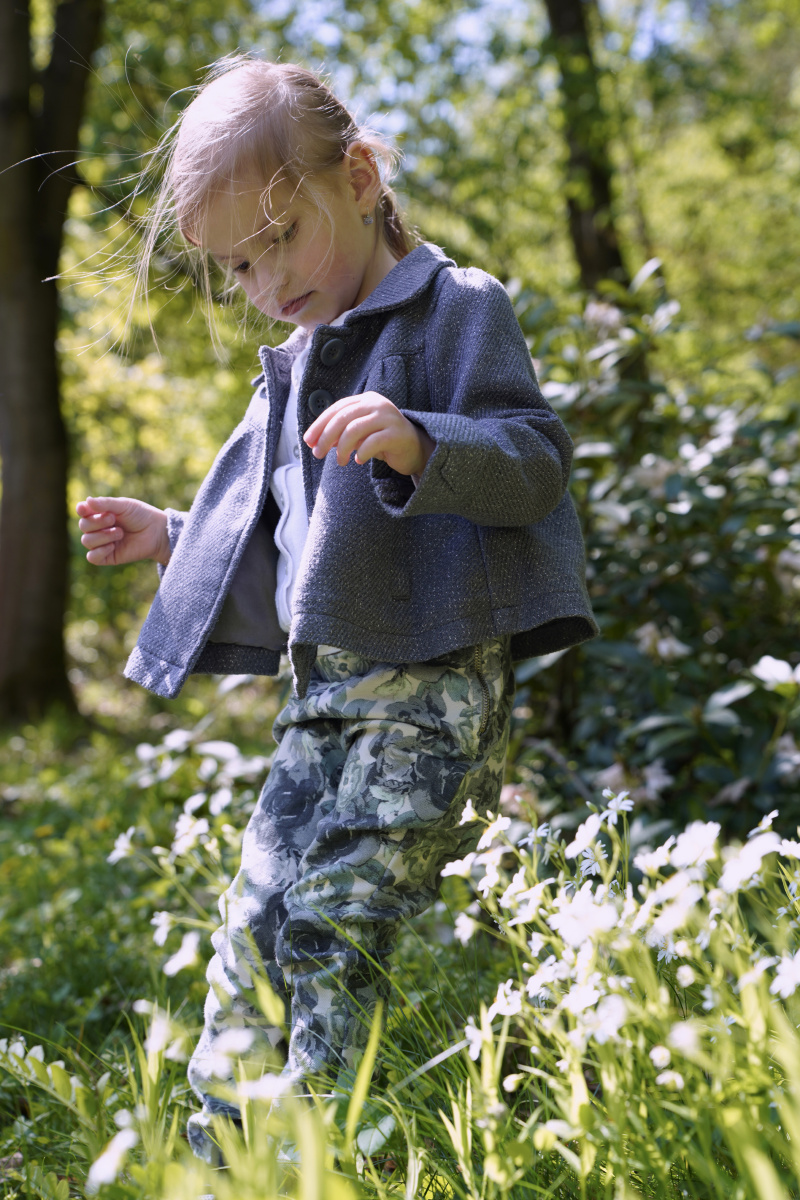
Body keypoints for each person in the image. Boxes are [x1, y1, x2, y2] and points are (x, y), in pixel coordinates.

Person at [76, 58, 597, 1162]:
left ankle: (322, 1157)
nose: (264, 281)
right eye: (237, 265)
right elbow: (286, 529)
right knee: (248, 929)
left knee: (330, 920)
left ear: (357, 177)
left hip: (431, 699)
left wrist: (420, 440)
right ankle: (223, 1166)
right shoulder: (300, 362)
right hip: (319, 708)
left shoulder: (457, 310)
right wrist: (173, 533)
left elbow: (534, 461)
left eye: (279, 238)